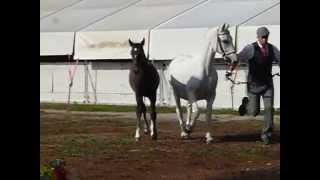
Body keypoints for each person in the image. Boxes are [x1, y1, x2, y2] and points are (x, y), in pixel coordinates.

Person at [234, 26, 280, 144]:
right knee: (253, 112)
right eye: (262, 37)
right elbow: (238, 58)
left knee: (269, 108)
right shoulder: (250, 48)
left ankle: (266, 134)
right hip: (253, 85)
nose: (264, 39)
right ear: (258, 37)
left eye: (266, 37)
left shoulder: (272, 49)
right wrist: (232, 65)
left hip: (267, 84)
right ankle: (246, 104)